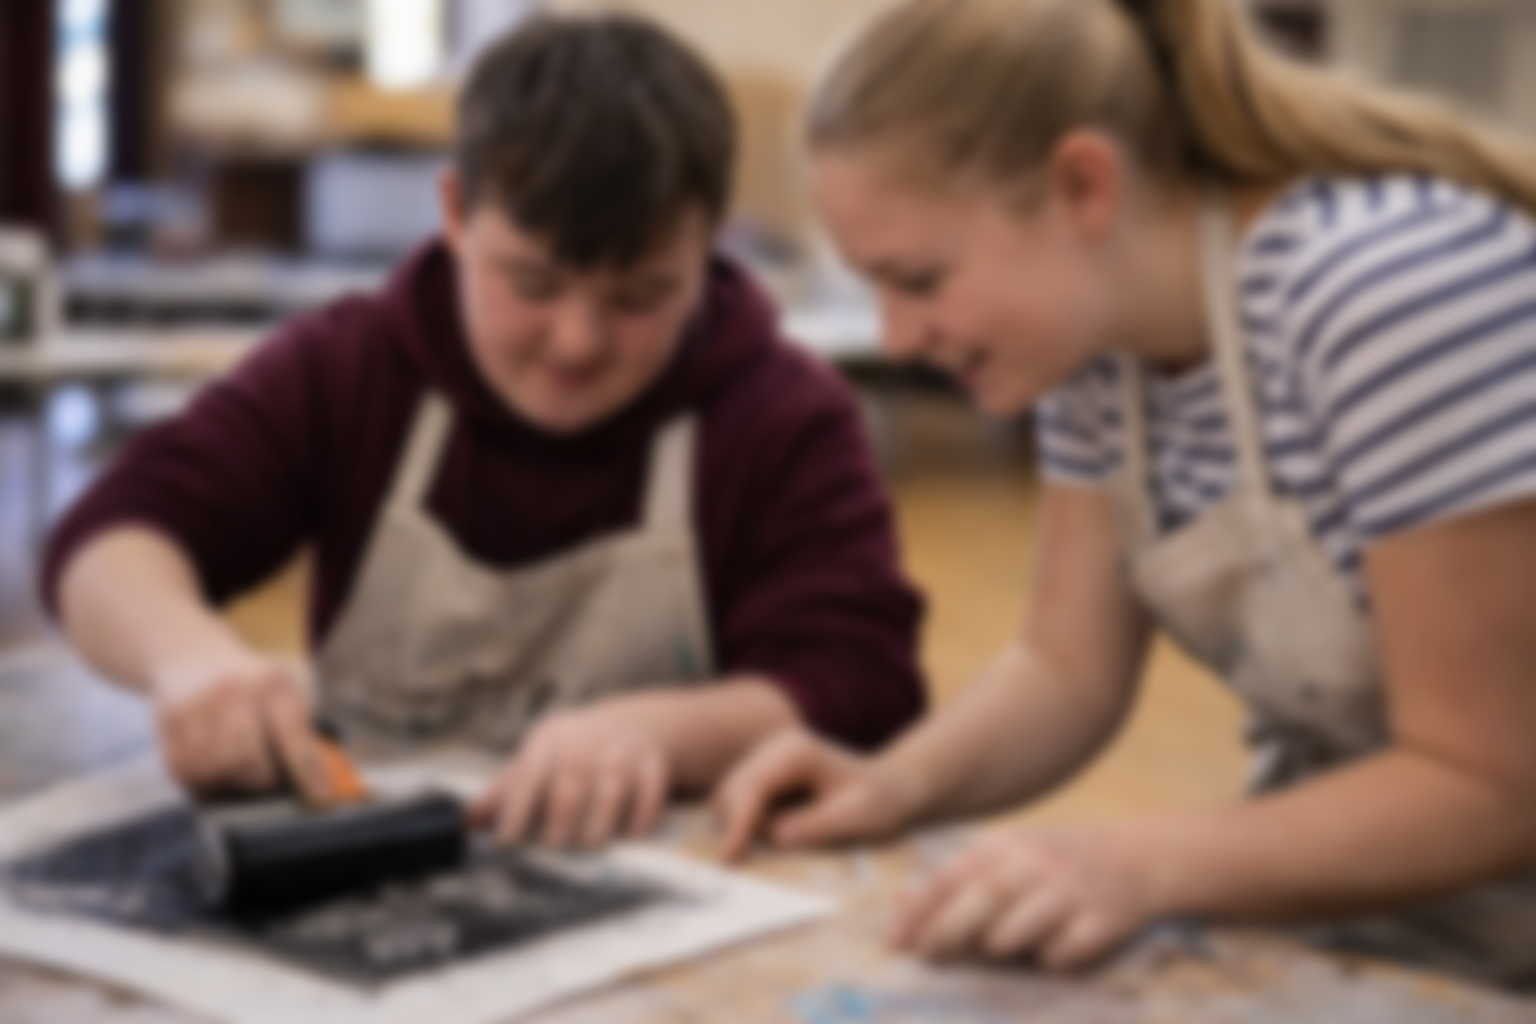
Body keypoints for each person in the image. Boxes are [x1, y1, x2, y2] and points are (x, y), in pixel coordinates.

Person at [714, 0, 1536, 990]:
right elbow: (1066, 667)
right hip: (1370, 910)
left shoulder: (1386, 292)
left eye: (920, 279)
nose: (896, 338)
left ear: (1084, 187)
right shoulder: (1094, 342)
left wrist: (1134, 863)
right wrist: (895, 780)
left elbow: (1491, 781)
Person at [43, 13, 925, 853]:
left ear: (710, 244)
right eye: (531, 284)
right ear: (456, 213)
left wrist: (667, 732)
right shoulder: (348, 371)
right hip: (361, 868)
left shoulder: (783, 415)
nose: (576, 343)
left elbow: (863, 676)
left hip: (675, 890)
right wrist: (188, 656)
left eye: (641, 297)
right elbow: (110, 539)